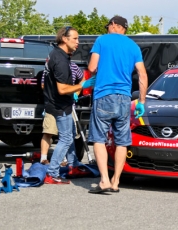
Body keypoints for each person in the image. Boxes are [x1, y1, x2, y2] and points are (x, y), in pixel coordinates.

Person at [87, 16, 148, 194]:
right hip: (124, 98)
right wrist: (141, 102)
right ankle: (115, 182)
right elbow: (142, 75)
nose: (107, 29)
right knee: (122, 141)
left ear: (114, 25)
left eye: (108, 26)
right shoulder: (133, 46)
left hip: (103, 95)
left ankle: (104, 180)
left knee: (98, 139)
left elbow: (91, 67)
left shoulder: (101, 40)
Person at [43, 26, 95, 184]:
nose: (78, 42)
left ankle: (73, 165)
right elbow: (62, 89)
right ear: (64, 39)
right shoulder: (60, 60)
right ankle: (52, 173)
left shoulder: (57, 55)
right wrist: (82, 85)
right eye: (75, 39)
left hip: (58, 103)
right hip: (60, 105)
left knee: (70, 134)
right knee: (65, 138)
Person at [40, 60, 85, 166]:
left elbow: (83, 78)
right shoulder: (50, 67)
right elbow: (43, 84)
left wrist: (77, 92)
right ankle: (43, 159)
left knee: (67, 135)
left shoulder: (73, 66)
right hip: (52, 106)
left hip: (69, 106)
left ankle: (65, 160)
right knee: (48, 132)